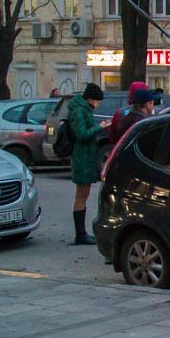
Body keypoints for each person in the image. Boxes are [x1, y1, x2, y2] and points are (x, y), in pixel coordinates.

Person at [69, 83, 111, 245]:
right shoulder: (79, 111)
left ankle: (81, 233)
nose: (98, 104)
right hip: (82, 157)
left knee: (83, 195)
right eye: (98, 101)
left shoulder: (82, 110)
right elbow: (81, 134)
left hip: (85, 156)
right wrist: (98, 128)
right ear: (92, 99)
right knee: (81, 195)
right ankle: (80, 234)